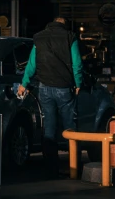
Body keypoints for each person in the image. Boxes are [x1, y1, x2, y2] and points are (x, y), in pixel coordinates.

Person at [18, 17, 83, 175]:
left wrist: (24, 83)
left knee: (49, 128)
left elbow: (31, 64)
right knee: (70, 127)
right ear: (64, 25)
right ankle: (74, 167)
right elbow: (77, 63)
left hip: (45, 87)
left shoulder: (39, 38)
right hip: (64, 88)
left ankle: (51, 168)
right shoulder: (70, 37)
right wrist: (78, 83)